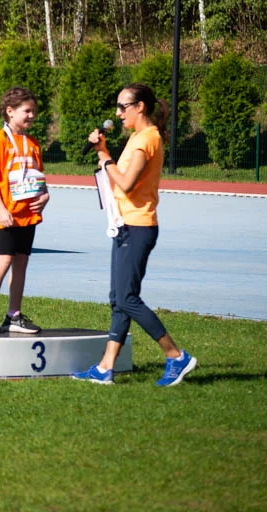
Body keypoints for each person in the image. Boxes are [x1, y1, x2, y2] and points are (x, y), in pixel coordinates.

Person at [73, 83, 197, 387]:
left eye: (122, 107)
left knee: (127, 298)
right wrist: (104, 153)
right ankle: (105, 368)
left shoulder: (146, 140)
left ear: (140, 107)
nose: (117, 113)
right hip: (126, 224)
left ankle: (175, 355)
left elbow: (126, 183)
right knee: (118, 299)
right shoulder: (138, 138)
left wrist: (104, 158)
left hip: (138, 227)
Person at [0, 87, 49, 334]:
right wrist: (1, 208)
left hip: (28, 214)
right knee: (4, 260)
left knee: (21, 262)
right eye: (26, 111)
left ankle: (14, 315)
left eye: (33, 112)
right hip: (6, 214)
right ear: (10, 111)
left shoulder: (33, 143)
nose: (31, 116)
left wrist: (45, 195)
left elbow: (38, 177)